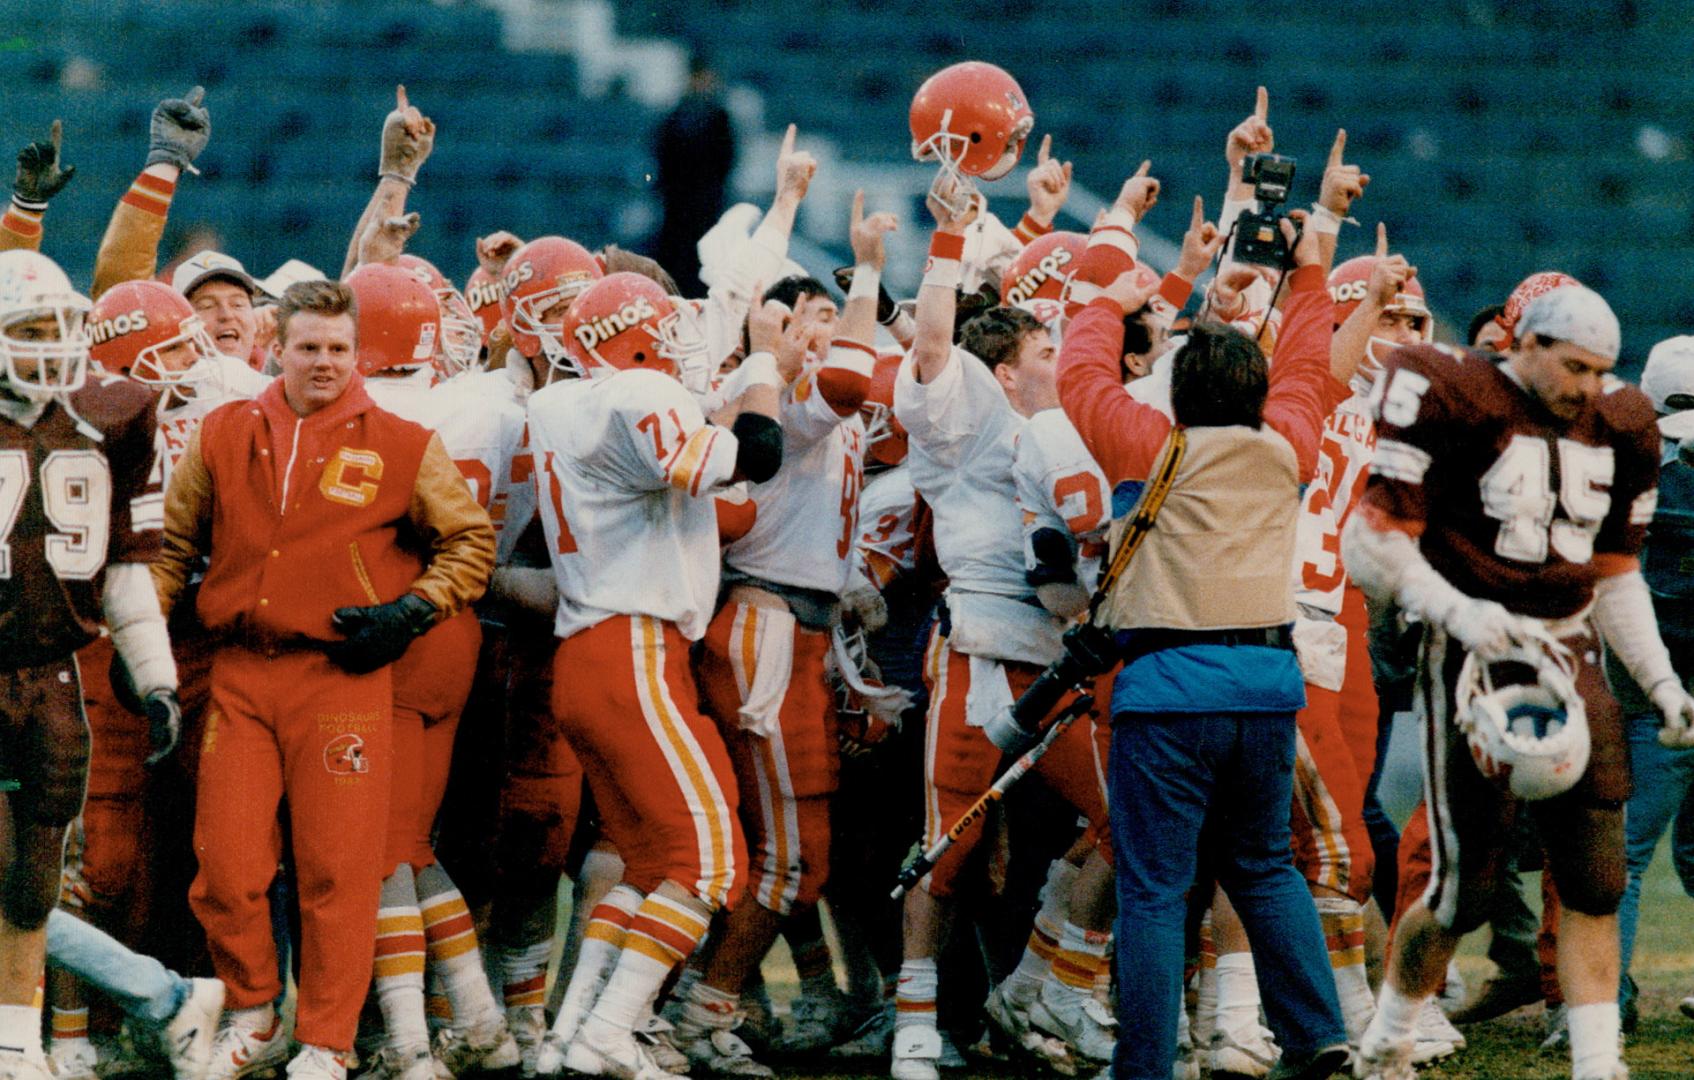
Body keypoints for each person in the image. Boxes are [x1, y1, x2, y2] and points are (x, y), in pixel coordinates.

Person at [152, 279, 496, 1080]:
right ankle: (255, 1011)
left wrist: (411, 613)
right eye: (309, 347)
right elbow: (172, 549)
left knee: (339, 870)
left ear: (359, 352)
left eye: (340, 349)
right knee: (227, 865)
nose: (325, 364)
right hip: (240, 671)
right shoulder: (223, 433)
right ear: (278, 347)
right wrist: (141, 645)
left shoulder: (405, 443)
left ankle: (328, 1042)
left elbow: (469, 543)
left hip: (342, 678)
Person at [1343, 284, 1687, 1080]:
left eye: (1601, 370)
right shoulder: (1453, 392)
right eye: (1573, 366)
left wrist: (1660, 680)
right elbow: (1371, 541)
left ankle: (1599, 1065)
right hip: (1471, 651)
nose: (1587, 387)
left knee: (1596, 878)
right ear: (1522, 343)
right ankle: (1389, 1039)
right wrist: (1456, 613)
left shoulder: (1621, 421)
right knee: (1463, 890)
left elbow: (1613, 572)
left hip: (1570, 650)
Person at [1056, 156, 1350, 1080]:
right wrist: (1308, 270)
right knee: (1267, 868)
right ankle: (1317, 1036)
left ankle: (1145, 1066)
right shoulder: (1286, 445)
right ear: (1255, 393)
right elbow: (1308, 359)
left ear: (1182, 392)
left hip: (1164, 689)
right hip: (1265, 687)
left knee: (1154, 889)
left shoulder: (1151, 443)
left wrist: (1113, 299)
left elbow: (1076, 376)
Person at [525, 271, 782, 1079]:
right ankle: (610, 1030)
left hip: (591, 650)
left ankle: (573, 1034)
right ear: (631, 339)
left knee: (649, 863)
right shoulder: (636, 388)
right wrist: (766, 366)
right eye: (662, 331)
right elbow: (757, 459)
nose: (676, 346)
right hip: (633, 647)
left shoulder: (563, 403)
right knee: (713, 861)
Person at [0, 249, 180, 1080]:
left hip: (54, 676)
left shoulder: (114, 413)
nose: (49, 345)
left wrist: (155, 676)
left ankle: (15, 1044)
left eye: (61, 327)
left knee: (34, 877)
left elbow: (128, 570)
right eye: (29, 330)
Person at [651, 52, 737, 298]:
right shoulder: (674, 117)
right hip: (676, 211)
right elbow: (661, 159)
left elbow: (727, 161)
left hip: (707, 208)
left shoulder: (719, 117)